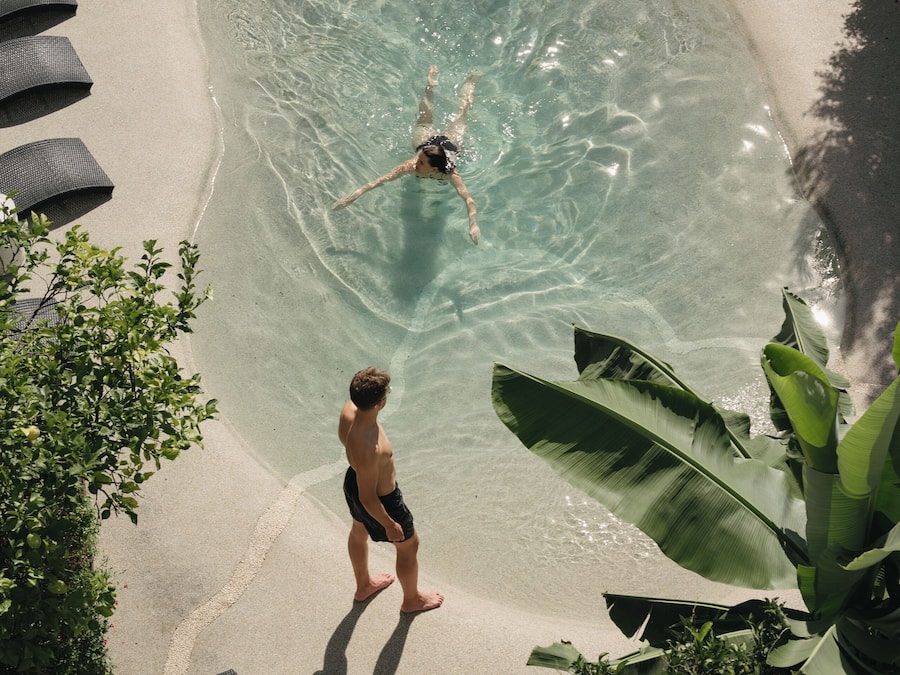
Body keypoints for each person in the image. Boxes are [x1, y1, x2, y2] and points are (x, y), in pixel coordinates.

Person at [333, 66, 482, 245]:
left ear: (434, 169)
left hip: (450, 146)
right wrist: (350, 199)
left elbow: (468, 199)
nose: (414, 164)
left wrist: (473, 225)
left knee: (463, 111)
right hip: (425, 142)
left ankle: (471, 82)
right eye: (418, 160)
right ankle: (430, 85)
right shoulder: (410, 165)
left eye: (420, 163)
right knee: (424, 117)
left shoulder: (450, 173)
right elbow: (377, 182)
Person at [338, 367, 444, 613]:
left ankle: (364, 585)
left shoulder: (349, 410)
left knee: (358, 530)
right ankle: (411, 600)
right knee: (409, 545)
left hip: (352, 480)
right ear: (380, 403)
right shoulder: (370, 447)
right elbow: (368, 497)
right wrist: (388, 523)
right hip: (380, 497)